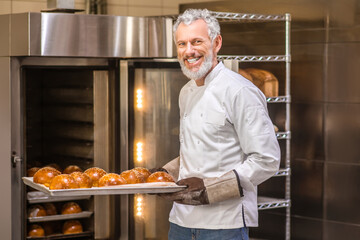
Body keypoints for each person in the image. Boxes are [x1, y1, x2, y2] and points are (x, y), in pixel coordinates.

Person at [155, 8, 281, 240]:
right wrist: (165, 174)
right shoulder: (186, 91)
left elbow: (267, 160)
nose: (189, 51)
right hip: (180, 221)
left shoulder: (240, 91)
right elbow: (203, 147)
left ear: (217, 43)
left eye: (197, 42)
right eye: (182, 44)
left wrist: (211, 188)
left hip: (224, 224)